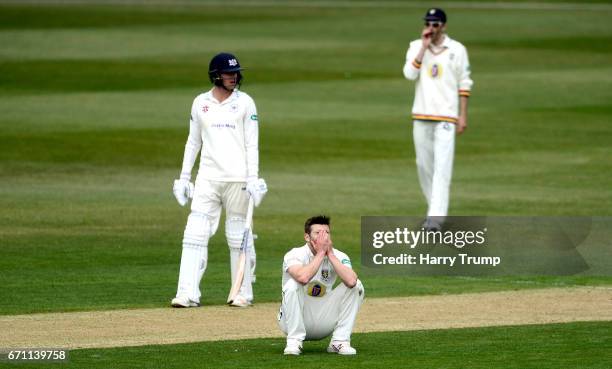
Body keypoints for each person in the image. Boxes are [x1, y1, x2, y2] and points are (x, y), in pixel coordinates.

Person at [170, 52, 267, 308]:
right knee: (195, 233)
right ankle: (187, 293)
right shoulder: (200, 103)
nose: (233, 77)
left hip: (238, 180)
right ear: (216, 75)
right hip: (208, 178)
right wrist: (183, 178)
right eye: (228, 73)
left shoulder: (246, 103)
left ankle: (242, 293)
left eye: (235, 73)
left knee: (237, 235)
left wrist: (253, 178)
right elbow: (193, 142)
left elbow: (252, 143)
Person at [403, 8, 473, 230]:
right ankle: (434, 211)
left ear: (443, 26)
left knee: (442, 169)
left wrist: (462, 115)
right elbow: (409, 74)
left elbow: (465, 83)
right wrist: (423, 48)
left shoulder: (457, 49)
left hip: (446, 117)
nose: (431, 28)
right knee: (424, 167)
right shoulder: (416, 46)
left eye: (435, 25)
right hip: (421, 115)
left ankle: (434, 219)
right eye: (428, 24)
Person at [278, 215, 365, 356]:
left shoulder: (339, 255)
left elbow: (351, 281)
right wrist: (320, 253)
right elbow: (303, 277)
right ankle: (294, 341)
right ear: (307, 237)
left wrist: (329, 254)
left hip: (323, 319)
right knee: (293, 284)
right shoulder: (294, 254)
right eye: (318, 233)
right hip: (292, 320)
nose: (323, 237)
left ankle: (339, 342)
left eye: (327, 233)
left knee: (357, 286)